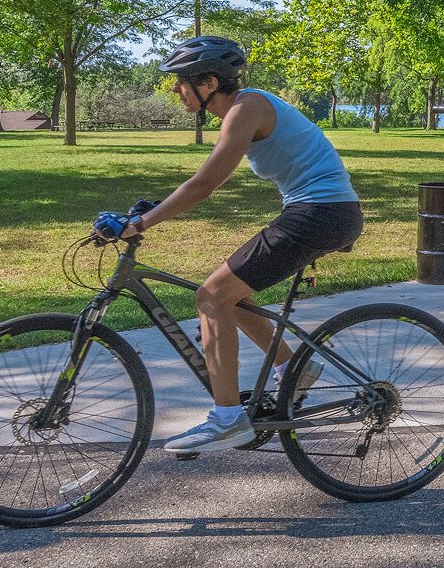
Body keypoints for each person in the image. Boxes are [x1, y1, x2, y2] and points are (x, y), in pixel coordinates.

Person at [112, 35, 363, 454]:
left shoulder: (249, 108)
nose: (175, 89)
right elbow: (204, 180)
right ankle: (292, 368)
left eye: (180, 81)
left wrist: (141, 223)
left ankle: (228, 420)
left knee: (212, 297)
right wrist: (150, 211)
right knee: (230, 293)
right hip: (319, 211)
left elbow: (207, 184)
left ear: (208, 82)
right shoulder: (242, 110)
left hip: (321, 213)